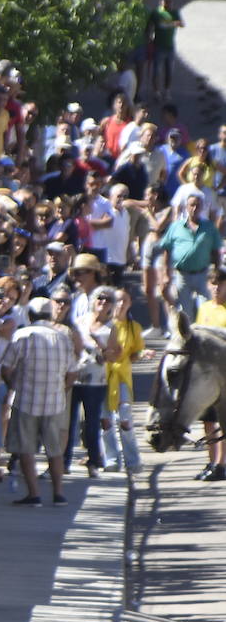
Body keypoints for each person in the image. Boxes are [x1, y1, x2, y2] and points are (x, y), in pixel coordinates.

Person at [0, 298, 79, 507]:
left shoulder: (22, 335)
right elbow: (72, 372)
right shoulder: (63, 338)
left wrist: (13, 385)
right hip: (55, 402)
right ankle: (58, 493)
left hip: (26, 400)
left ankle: (34, 494)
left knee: (26, 449)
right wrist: (62, 390)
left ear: (30, 315)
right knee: (55, 450)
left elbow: (6, 368)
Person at [66, 288, 120, 476]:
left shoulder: (112, 327)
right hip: (75, 378)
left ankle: (94, 462)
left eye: (108, 300)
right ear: (93, 300)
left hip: (96, 382)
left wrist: (101, 346)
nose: (103, 302)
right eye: (100, 298)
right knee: (68, 422)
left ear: (112, 305)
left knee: (91, 424)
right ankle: (63, 462)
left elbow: (115, 355)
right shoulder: (80, 321)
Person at [152, 191, 222, 323]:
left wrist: (217, 273)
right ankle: (188, 340)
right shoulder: (176, 226)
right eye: (191, 205)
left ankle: (205, 337)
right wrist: (166, 274)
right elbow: (167, 250)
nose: (194, 208)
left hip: (203, 274)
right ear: (186, 207)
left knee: (205, 308)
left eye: (197, 205)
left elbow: (216, 251)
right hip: (182, 275)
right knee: (185, 311)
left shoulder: (209, 227)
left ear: (202, 207)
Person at [101, 289, 145, 475]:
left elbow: (136, 352)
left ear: (129, 303)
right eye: (117, 301)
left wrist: (140, 355)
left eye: (123, 301)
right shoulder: (104, 325)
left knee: (125, 418)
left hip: (122, 377)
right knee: (105, 421)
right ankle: (111, 459)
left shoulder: (133, 327)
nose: (120, 304)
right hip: (104, 376)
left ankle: (132, 460)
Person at [192, 267, 226, 481]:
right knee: (207, 420)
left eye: (220, 284)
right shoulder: (204, 308)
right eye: (213, 284)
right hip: (206, 373)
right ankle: (211, 461)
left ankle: (221, 464)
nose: (216, 288)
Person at [149, 0, 184, 101]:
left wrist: (171, 24)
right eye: (165, 2)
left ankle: (167, 90)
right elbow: (150, 25)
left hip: (170, 46)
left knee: (169, 70)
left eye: (169, 2)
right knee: (156, 70)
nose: (167, 4)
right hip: (159, 45)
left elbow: (182, 24)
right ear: (161, 2)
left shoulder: (175, 12)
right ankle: (156, 92)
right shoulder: (157, 12)